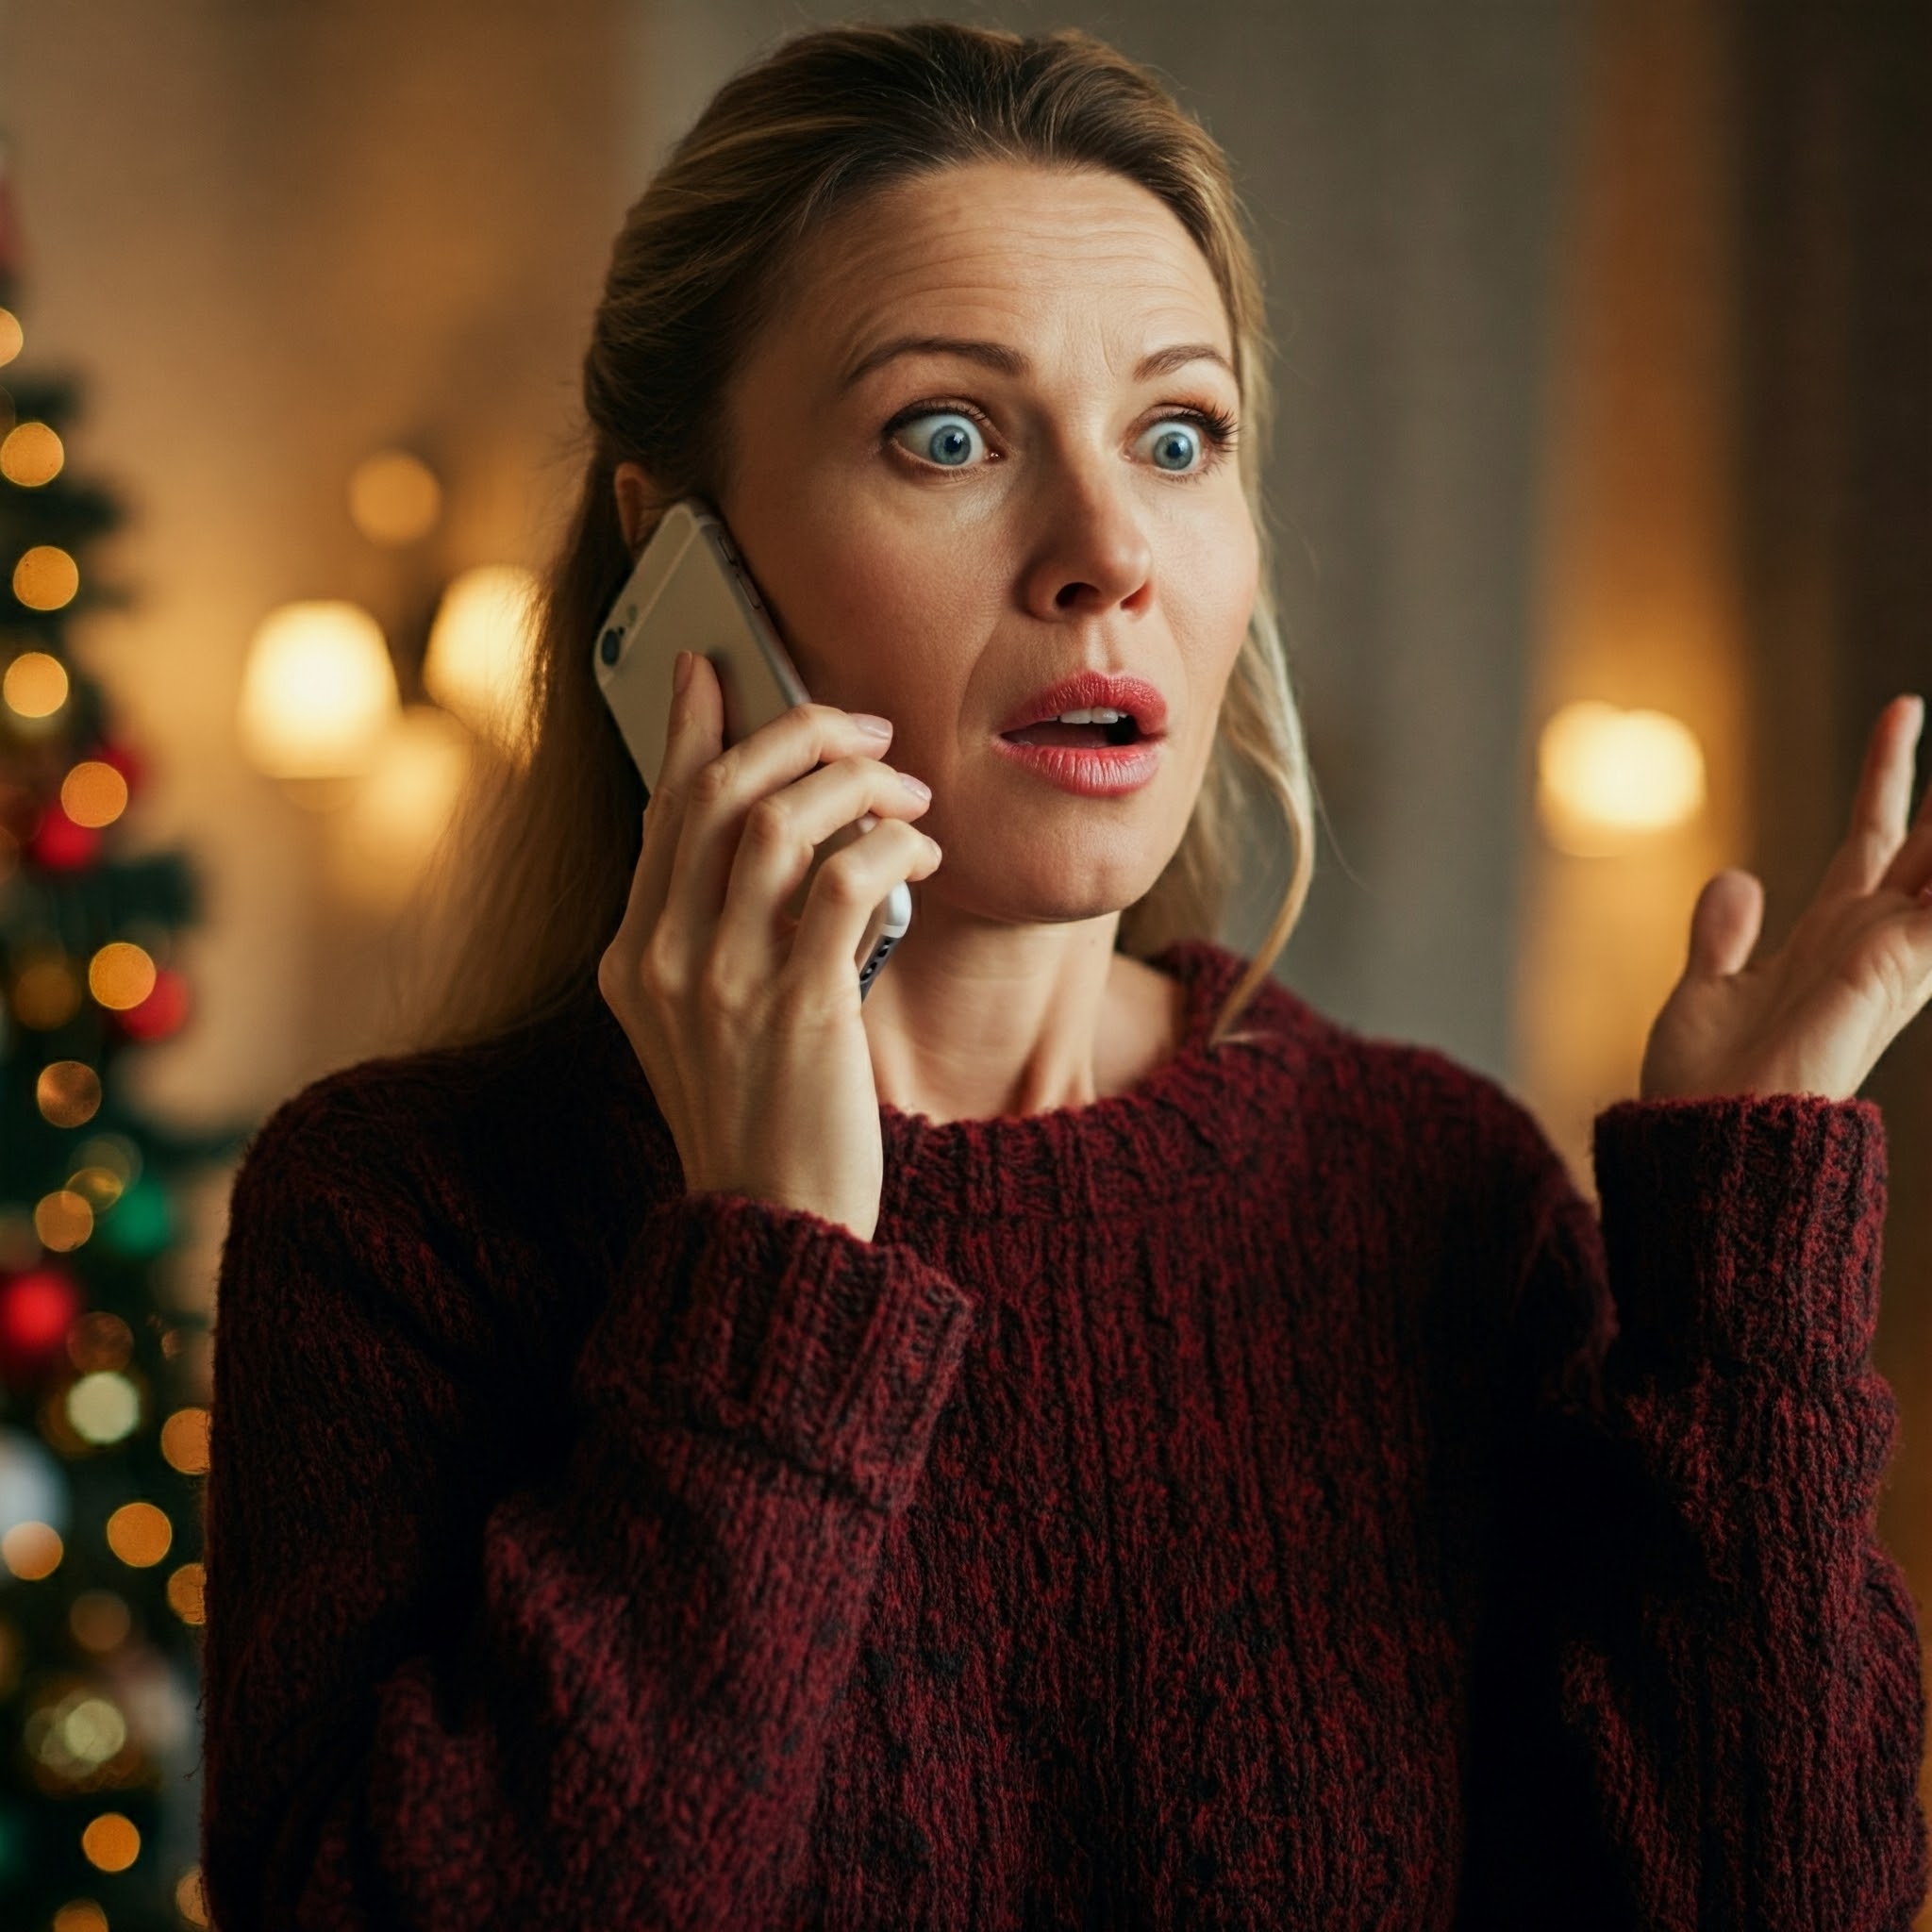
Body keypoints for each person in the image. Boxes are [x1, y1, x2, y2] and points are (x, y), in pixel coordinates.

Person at [197, 21, 1932, 1928]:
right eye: (946, 434)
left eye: (1177, 436)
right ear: (673, 557)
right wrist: (769, 1276)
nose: (1108, 551)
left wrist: (1737, 1273)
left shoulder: (1430, 1192)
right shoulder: (407, 1216)